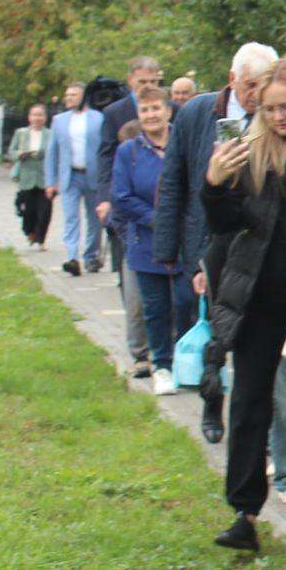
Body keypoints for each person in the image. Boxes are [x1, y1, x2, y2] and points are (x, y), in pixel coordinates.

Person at [200, 57, 286, 551]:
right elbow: (223, 224)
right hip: (256, 298)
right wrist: (213, 183)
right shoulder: (249, 153)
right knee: (251, 403)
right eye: (269, 108)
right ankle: (245, 512)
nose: (278, 117)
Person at [157, 43, 277, 445]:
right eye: (249, 86)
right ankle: (212, 402)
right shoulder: (197, 113)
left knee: (252, 337)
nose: (256, 96)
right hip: (209, 240)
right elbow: (174, 180)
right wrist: (175, 253)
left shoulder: (277, 117)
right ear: (232, 80)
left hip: (255, 244)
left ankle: (257, 422)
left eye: (264, 86)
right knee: (213, 332)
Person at [110, 86, 192, 397]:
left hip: (185, 241)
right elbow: (121, 197)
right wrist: (157, 218)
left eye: (156, 108)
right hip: (146, 241)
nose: (151, 115)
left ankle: (185, 361)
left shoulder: (183, 144)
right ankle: (162, 365)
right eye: (145, 110)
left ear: (168, 110)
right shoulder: (128, 152)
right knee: (155, 308)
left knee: (186, 301)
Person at [96, 56, 164, 377]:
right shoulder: (114, 113)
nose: (148, 87)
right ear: (132, 80)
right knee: (134, 283)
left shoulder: (170, 114)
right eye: (142, 82)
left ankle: (165, 347)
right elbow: (106, 156)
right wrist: (104, 199)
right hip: (127, 210)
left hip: (164, 217)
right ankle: (140, 350)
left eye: (153, 81)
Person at [45, 82, 105, 276]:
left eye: (74, 94)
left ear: (84, 97)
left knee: (94, 219)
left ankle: (91, 256)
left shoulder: (98, 118)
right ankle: (72, 257)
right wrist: (50, 181)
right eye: (67, 95)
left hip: (93, 175)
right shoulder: (59, 120)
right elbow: (52, 151)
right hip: (70, 176)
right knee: (71, 218)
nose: (69, 98)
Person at [10, 105, 53, 249]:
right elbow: (11, 151)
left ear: (45, 118)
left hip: (45, 178)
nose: (37, 118)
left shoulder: (50, 135)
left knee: (45, 211)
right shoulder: (21, 133)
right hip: (26, 177)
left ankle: (41, 240)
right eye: (34, 115)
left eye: (40, 115)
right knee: (28, 211)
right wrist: (19, 154)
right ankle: (30, 232)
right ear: (29, 117)